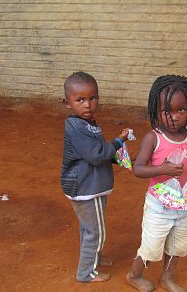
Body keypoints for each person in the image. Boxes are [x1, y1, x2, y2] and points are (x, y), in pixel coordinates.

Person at [126, 75, 187, 292]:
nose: (174, 117)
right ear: (155, 111)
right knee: (151, 246)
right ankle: (134, 274)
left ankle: (167, 278)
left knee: (177, 246)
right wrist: (162, 169)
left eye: (180, 110)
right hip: (159, 207)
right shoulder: (152, 138)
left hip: (185, 205)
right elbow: (138, 169)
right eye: (167, 111)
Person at [60, 71, 129, 283]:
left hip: (87, 185)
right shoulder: (78, 128)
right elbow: (97, 154)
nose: (87, 104)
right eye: (80, 100)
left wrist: (116, 157)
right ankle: (86, 273)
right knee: (95, 232)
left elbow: (96, 150)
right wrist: (117, 142)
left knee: (89, 227)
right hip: (87, 189)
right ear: (67, 103)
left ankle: (95, 259)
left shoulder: (84, 123)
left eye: (92, 98)